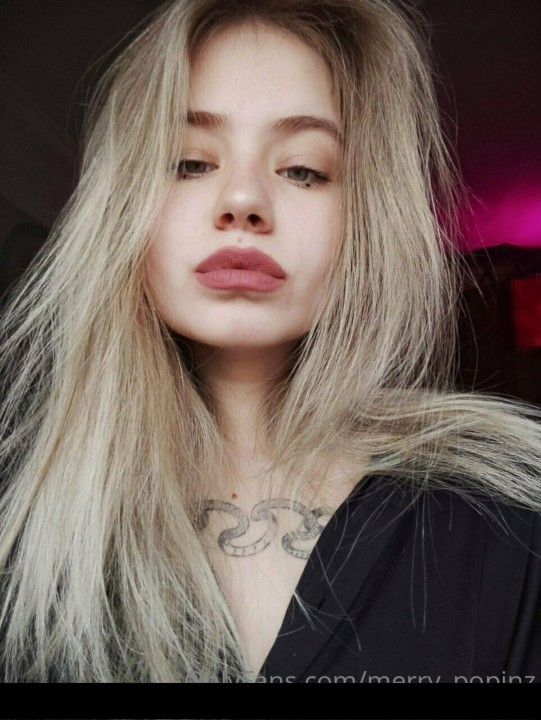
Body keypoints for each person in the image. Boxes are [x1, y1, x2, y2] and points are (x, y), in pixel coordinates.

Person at [0, 0, 540, 684]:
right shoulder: (24, 516)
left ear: (366, 220)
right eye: (190, 162)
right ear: (120, 204)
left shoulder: (506, 519)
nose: (243, 201)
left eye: (302, 170)